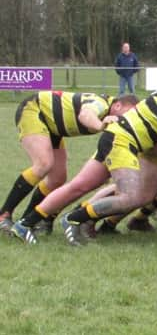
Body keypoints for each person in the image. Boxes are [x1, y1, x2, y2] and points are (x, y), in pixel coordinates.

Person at [11, 59, 157, 246]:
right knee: (131, 196)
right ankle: (74, 218)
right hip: (122, 141)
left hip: (119, 138)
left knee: (79, 186)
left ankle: (24, 224)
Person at [0, 92, 138, 236]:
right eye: (128, 113)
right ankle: (4, 214)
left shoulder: (110, 112)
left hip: (52, 125)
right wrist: (101, 125)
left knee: (57, 179)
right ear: (117, 105)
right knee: (43, 164)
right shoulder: (101, 103)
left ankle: (28, 220)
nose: (128, 119)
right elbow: (85, 115)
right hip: (34, 110)